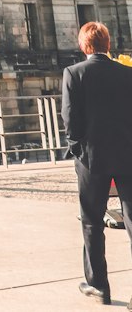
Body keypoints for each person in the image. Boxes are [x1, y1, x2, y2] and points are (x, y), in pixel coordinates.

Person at [61, 20, 132, 302]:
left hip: (91, 157)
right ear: (108, 45)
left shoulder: (73, 73)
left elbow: (69, 119)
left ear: (83, 46)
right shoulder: (128, 73)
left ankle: (98, 285)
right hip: (129, 154)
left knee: (92, 221)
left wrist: (77, 149)